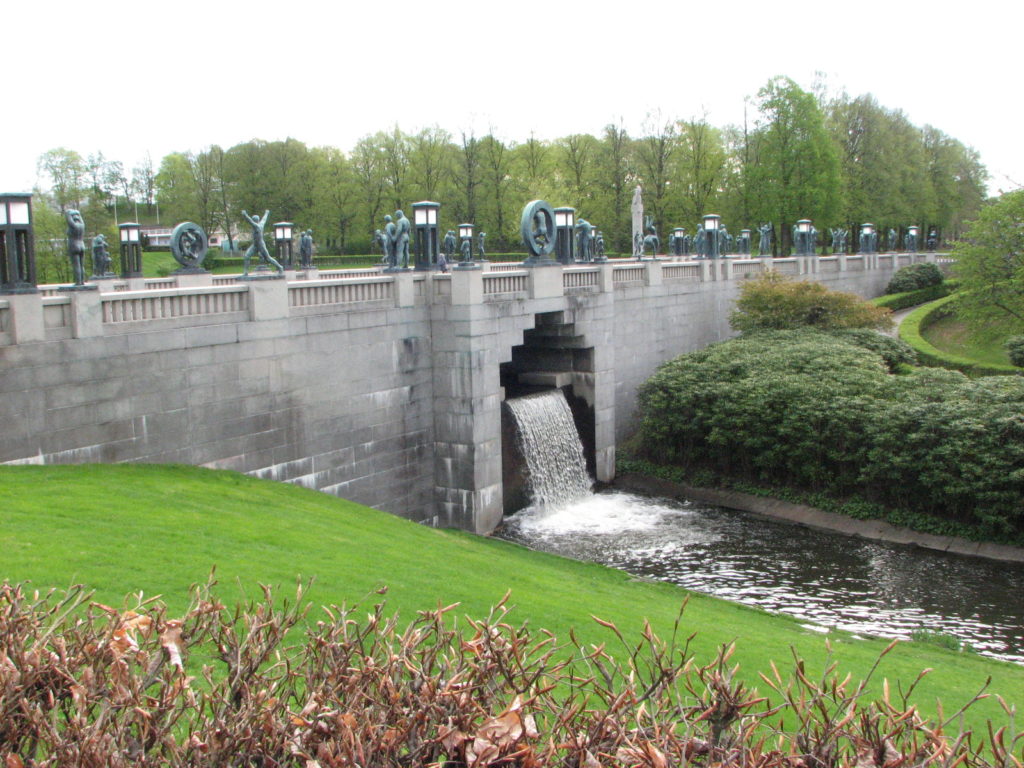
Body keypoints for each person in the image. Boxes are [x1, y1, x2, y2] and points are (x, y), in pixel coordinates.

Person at [242, 209, 282, 274]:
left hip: (260, 245)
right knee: (247, 256)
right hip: (255, 245)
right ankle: (245, 272)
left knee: (268, 258)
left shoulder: (256, 226)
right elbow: (264, 219)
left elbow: (249, 221)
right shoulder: (261, 224)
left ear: (254, 221)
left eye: (253, 220)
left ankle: (280, 267)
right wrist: (266, 213)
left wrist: (245, 215)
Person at [66, 209, 86, 284]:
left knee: (76, 265)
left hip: (74, 245)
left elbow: (68, 219)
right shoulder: (82, 225)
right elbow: (80, 218)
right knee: (82, 265)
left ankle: (78, 281)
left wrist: (69, 213)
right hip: (82, 244)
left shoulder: (73, 226)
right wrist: (78, 213)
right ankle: (82, 281)